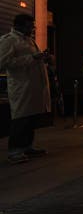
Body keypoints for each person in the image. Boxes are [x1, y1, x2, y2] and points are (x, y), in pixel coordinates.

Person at [0, 14, 50, 164]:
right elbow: (3, 62)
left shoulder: (29, 40)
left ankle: (27, 146)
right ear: (19, 26)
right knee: (20, 119)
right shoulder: (9, 41)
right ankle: (14, 151)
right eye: (29, 26)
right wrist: (33, 58)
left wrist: (42, 58)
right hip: (21, 86)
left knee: (30, 117)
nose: (32, 29)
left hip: (33, 86)